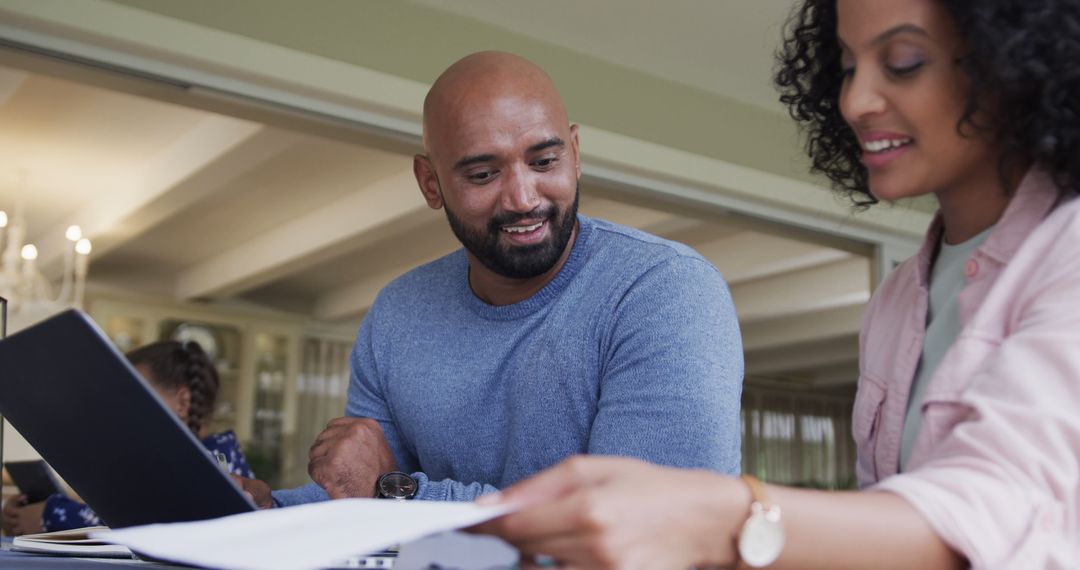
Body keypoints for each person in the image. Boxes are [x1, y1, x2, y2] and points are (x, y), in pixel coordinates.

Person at [473, 0, 1080, 568]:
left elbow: (1004, 510)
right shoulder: (898, 299)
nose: (856, 100)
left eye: (903, 63)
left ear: (1015, 64)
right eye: (846, 67)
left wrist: (719, 515)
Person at [243, 51, 743, 507]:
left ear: (575, 151)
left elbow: (641, 524)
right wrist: (268, 509)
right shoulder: (398, 314)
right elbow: (361, 494)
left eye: (545, 161)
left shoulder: (666, 291)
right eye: (483, 174)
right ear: (430, 183)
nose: (523, 198)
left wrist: (395, 491)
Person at [1, 340, 253, 535]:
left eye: (132, 394)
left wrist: (49, 513)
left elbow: (149, 528)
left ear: (183, 402)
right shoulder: (165, 461)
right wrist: (31, 513)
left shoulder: (217, 464)